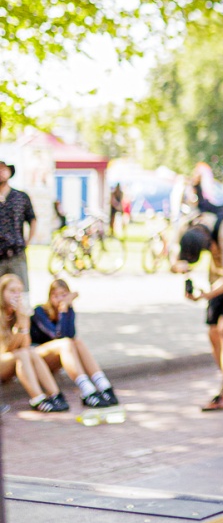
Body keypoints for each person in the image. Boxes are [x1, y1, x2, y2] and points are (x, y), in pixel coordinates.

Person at [172, 202, 223, 412]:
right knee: (213, 333)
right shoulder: (189, 225)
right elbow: (175, 259)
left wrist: (205, 295)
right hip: (217, 278)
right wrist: (182, 268)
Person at [30, 279, 120, 410]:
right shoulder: (40, 311)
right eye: (56, 296)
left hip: (58, 354)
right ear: (49, 297)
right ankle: (87, 390)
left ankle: (104, 385)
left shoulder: (68, 309)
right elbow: (58, 335)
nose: (60, 299)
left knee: (77, 342)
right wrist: (63, 309)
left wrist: (67, 310)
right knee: (66, 343)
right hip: (37, 357)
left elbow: (71, 334)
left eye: (64, 295)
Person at [0, 273, 66, 412]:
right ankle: (38, 399)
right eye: (12, 291)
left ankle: (55, 394)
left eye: (19, 291)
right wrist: (21, 324)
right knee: (23, 354)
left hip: (12, 359)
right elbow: (5, 349)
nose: (16, 295)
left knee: (29, 351)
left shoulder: (19, 313)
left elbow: (25, 345)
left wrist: (23, 321)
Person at [0, 159, 37, 295]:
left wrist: (28, 240)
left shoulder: (20, 197)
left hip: (16, 252)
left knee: (21, 291)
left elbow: (32, 219)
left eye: (3, 169)